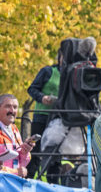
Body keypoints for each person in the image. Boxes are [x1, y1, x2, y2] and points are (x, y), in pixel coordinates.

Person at [26, 37, 97, 181]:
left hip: (62, 117)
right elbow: (32, 88)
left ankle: (54, 182)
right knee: (37, 152)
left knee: (56, 155)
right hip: (43, 115)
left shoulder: (78, 72)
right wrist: (42, 97)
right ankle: (28, 179)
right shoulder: (48, 71)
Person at [0, 94, 35, 177]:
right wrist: (15, 172)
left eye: (15, 107)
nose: (12, 111)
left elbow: (22, 162)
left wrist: (25, 151)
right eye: (8, 106)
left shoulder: (14, 129)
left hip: (12, 182)